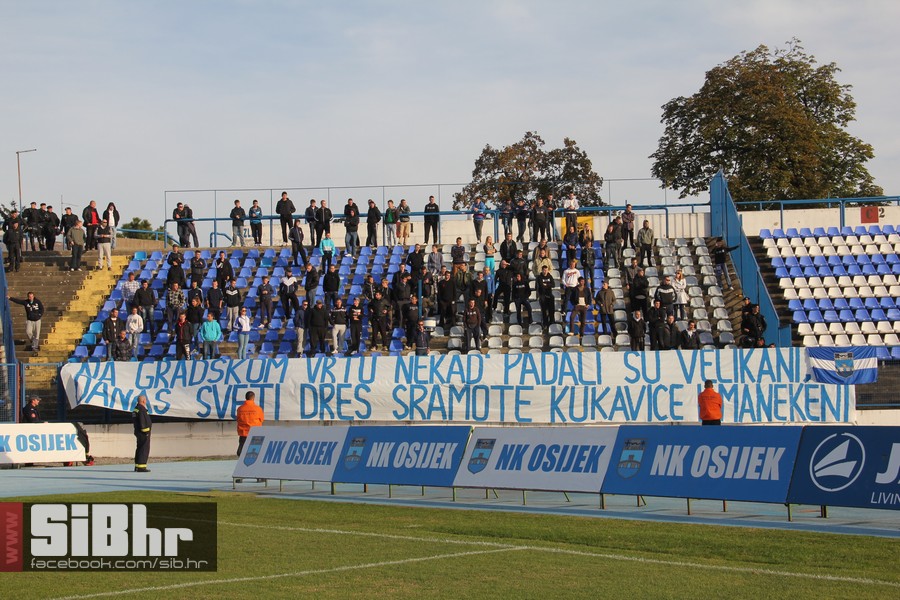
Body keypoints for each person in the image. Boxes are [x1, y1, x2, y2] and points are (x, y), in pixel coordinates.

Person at [236, 391, 265, 456]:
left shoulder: (240, 409)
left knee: (241, 452)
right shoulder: (258, 409)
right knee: (256, 453)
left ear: (246, 398)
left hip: (243, 433)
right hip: (255, 433)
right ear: (253, 398)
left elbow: (238, 419)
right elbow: (261, 419)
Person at [132, 395, 152, 472]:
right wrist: (146, 431)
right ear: (143, 401)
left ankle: (137, 466)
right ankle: (141, 467)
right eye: (145, 400)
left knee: (139, 448)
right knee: (144, 449)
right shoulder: (141, 409)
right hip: (143, 433)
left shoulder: (136, 409)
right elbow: (143, 422)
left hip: (139, 432)